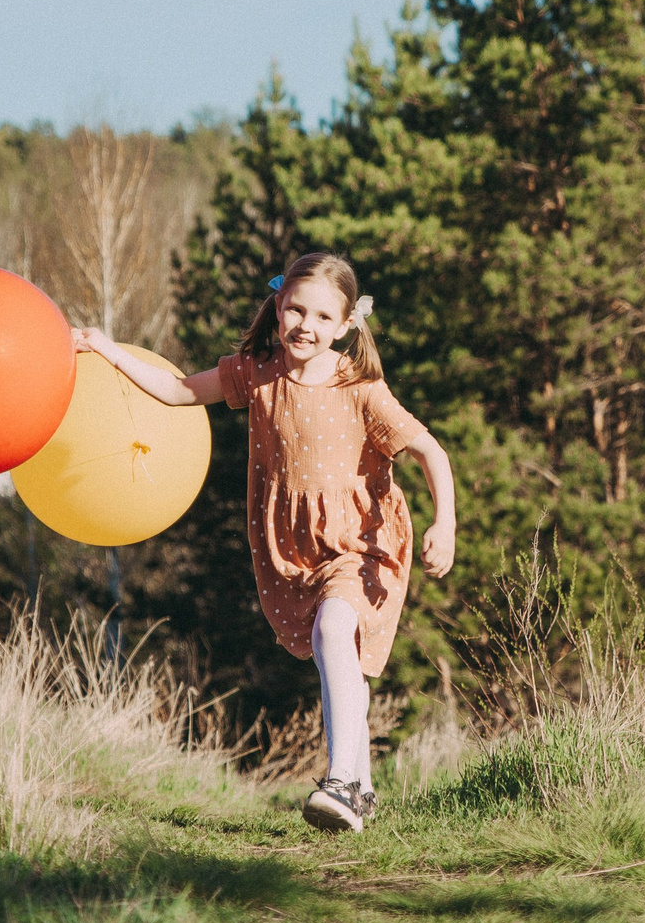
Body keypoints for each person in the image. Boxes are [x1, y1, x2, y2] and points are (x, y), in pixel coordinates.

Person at [70, 252, 457, 832]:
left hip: (362, 540)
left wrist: (444, 522)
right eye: (296, 309)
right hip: (295, 547)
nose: (306, 325)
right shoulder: (258, 373)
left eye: (322, 317)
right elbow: (177, 392)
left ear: (347, 325)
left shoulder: (361, 387)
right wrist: (104, 347)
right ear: (278, 306)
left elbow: (431, 451)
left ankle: (344, 784)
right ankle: (364, 785)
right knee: (338, 656)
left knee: (333, 631)